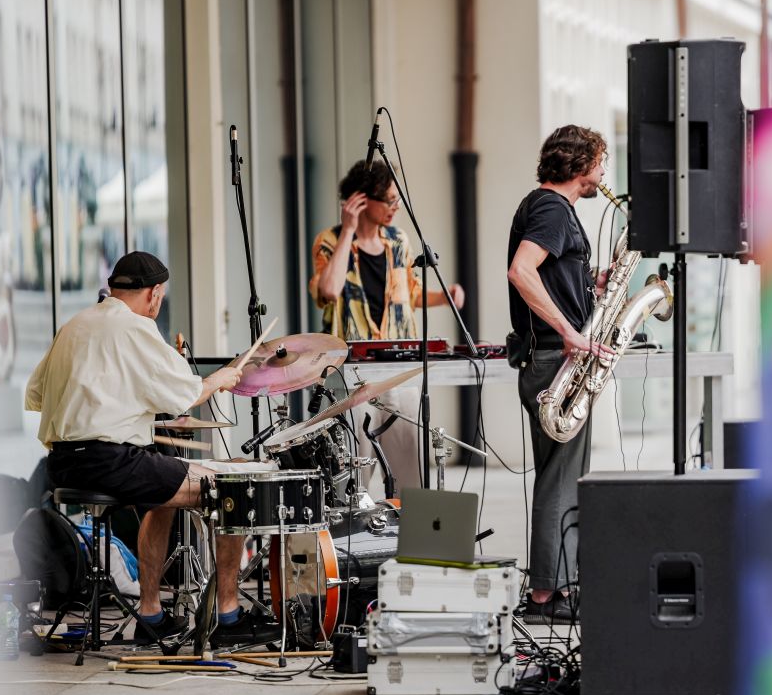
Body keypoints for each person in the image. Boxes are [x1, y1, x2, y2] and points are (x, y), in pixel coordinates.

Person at [25, 251, 279, 646]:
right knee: (231, 487)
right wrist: (221, 378)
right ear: (155, 294)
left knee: (163, 497)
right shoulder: (134, 327)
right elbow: (184, 396)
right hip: (109, 461)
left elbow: (37, 394)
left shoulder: (74, 325)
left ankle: (151, 616)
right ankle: (228, 617)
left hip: (61, 463)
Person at [506, 125, 615, 622]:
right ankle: (547, 595)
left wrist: (591, 283)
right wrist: (570, 332)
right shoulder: (551, 208)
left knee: (564, 474)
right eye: (600, 161)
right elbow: (522, 270)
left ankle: (558, 587)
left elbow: (548, 274)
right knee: (560, 476)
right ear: (580, 164)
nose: (603, 173)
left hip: (553, 357)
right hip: (555, 359)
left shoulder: (549, 208)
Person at [308, 160, 465, 496]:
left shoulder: (398, 241)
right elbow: (329, 291)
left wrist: (445, 297)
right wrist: (348, 231)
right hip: (353, 376)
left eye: (397, 200)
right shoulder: (330, 241)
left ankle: (412, 530)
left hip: (399, 372)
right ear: (362, 200)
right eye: (390, 200)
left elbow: (409, 294)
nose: (396, 207)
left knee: (412, 478)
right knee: (354, 481)